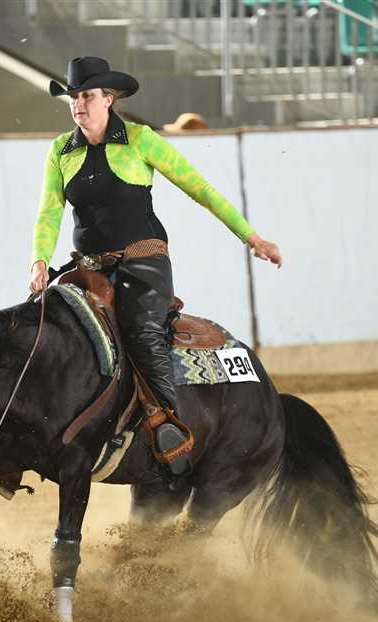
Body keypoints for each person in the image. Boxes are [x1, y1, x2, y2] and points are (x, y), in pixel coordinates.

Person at [28, 56, 282, 476]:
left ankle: (168, 425)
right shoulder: (61, 150)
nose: (78, 104)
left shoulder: (140, 140)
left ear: (108, 99)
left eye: (87, 96)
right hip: (88, 268)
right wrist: (39, 261)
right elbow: (49, 213)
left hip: (142, 263)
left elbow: (200, 189)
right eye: (73, 97)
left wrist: (251, 238)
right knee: (42, 327)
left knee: (142, 333)